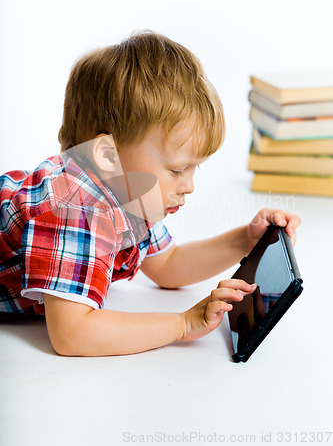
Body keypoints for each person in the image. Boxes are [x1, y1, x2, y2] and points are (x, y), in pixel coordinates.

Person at [0, 31, 301, 356]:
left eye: (193, 169)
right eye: (175, 170)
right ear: (107, 156)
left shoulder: (127, 191)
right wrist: (183, 324)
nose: (189, 186)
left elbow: (168, 266)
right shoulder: (74, 209)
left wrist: (245, 240)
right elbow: (72, 334)